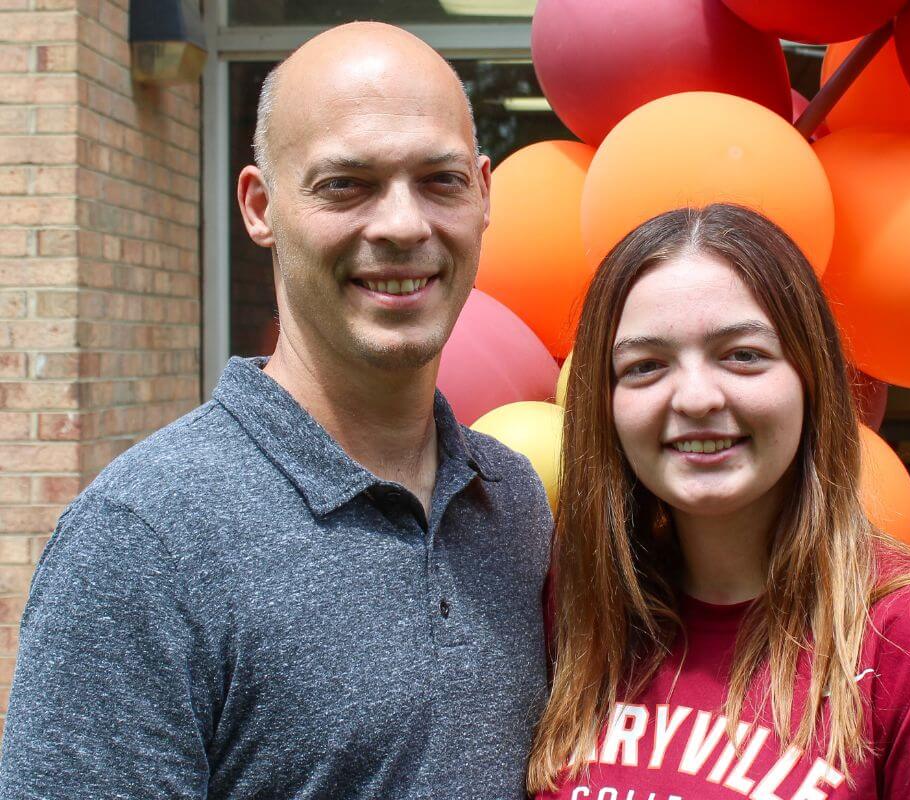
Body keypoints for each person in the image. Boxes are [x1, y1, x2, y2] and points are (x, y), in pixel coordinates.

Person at [0, 23, 552, 799]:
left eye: (441, 180)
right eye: (346, 185)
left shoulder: (515, 505)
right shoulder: (142, 540)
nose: (402, 225)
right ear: (260, 207)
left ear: (484, 196)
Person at [529, 205, 910, 799]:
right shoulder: (577, 616)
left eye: (743, 354)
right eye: (645, 366)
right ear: (605, 404)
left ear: (811, 379)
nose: (697, 397)